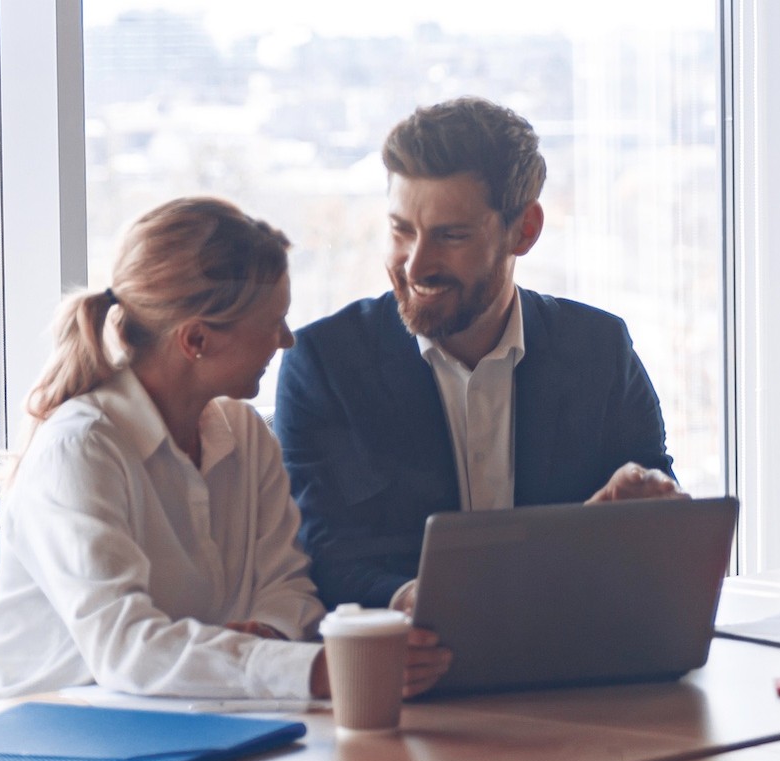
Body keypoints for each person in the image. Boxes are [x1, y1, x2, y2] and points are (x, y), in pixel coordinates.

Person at [0, 196, 453, 701]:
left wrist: (267, 640)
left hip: (180, 724)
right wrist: (312, 670)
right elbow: (125, 647)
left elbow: (290, 588)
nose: (287, 340)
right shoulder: (80, 449)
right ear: (197, 340)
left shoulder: (244, 435)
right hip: (36, 739)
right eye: (273, 322)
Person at [278, 96, 681, 611]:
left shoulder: (598, 349)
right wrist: (417, 599)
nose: (416, 265)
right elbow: (322, 552)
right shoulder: (325, 364)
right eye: (402, 230)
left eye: (451, 236)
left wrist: (640, 504)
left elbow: (662, 517)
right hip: (411, 666)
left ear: (524, 231)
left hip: (576, 654)